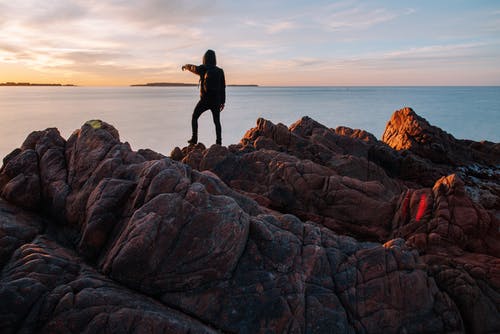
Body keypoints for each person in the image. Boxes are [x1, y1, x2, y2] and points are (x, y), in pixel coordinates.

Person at [182, 49, 226, 145]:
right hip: (216, 100)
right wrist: (223, 102)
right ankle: (219, 142)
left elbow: (192, 68)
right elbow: (223, 87)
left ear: (204, 58)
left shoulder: (202, 68)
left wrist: (185, 66)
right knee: (217, 122)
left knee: (194, 117)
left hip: (205, 100)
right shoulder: (220, 71)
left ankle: (194, 139)